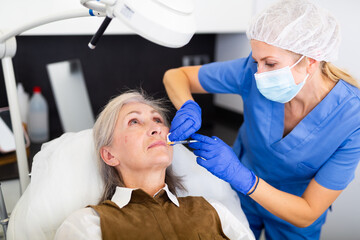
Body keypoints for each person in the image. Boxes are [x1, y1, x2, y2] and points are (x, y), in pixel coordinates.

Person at [163, 0, 360, 239]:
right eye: (257, 62)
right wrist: (188, 105)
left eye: (271, 63)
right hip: (240, 198)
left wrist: (241, 176)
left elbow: (308, 211)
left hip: (294, 214)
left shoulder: (352, 118)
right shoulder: (251, 70)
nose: (258, 74)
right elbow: (176, 76)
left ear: (310, 61)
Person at [54, 90, 255, 240]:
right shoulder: (87, 226)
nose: (156, 128)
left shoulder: (214, 212)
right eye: (134, 121)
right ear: (109, 155)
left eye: (158, 119)